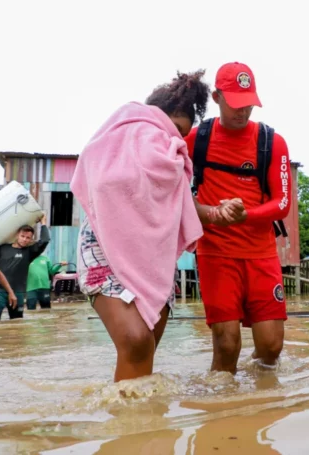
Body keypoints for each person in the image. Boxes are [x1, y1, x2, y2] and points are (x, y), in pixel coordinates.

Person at [71, 70, 243, 383]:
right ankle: (127, 421)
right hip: (104, 253)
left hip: (153, 260)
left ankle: (141, 424)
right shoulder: (111, 143)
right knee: (136, 341)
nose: (175, 140)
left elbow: (185, 209)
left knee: (145, 348)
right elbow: (104, 184)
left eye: (182, 135)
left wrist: (218, 212)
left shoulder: (173, 164)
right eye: (174, 129)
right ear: (150, 118)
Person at [184, 62, 292, 374]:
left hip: (261, 254)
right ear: (217, 97)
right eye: (234, 104)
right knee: (227, 345)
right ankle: (222, 410)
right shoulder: (195, 140)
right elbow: (167, 183)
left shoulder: (272, 143)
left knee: (272, 348)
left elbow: (282, 203)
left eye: (248, 104)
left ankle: (261, 400)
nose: (242, 112)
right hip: (215, 254)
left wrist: (246, 215)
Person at [0, 215, 50, 321]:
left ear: (31, 239)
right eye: (22, 236)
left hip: (18, 293)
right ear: (17, 235)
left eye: (28, 238)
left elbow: (45, 240)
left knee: (17, 321)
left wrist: (43, 223)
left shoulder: (30, 252)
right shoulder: (3, 248)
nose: (25, 240)